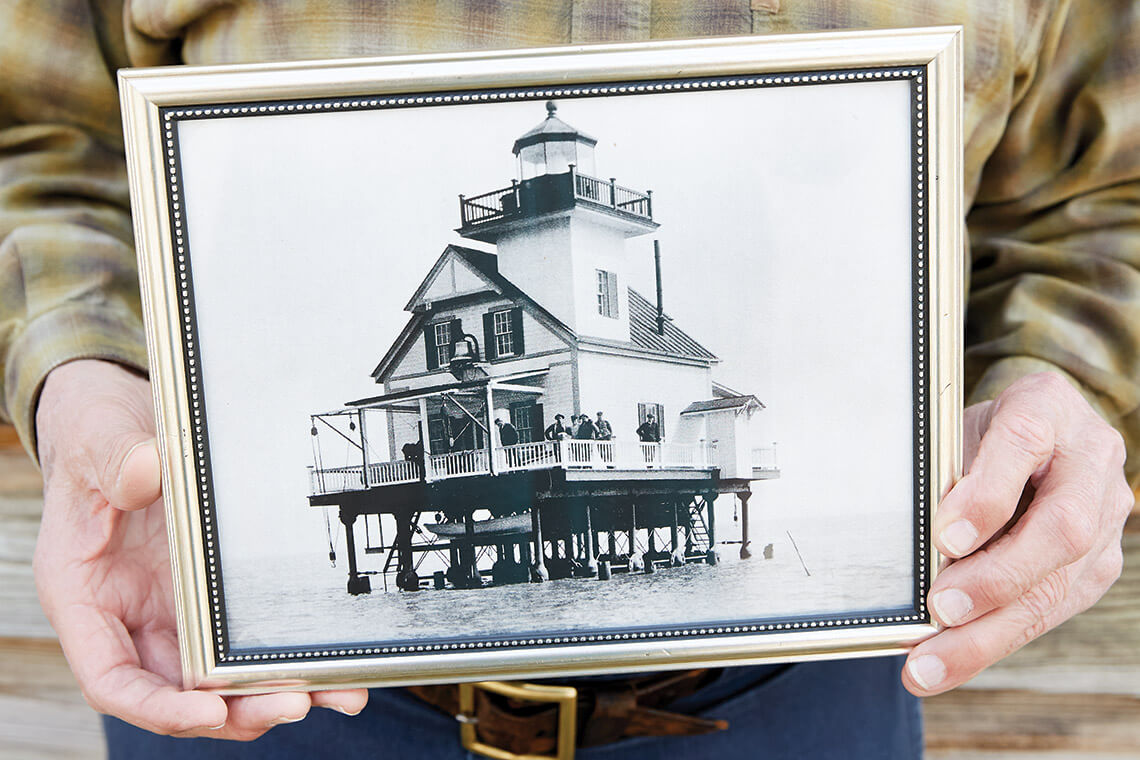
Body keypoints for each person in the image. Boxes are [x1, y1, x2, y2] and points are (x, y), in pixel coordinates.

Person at [3, 2, 1137, 758]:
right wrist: (78, 376)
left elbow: (1096, 197)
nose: (555, 170)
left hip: (800, 691)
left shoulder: (628, 309)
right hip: (273, 701)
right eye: (550, 162)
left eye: (560, 162)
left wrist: (1067, 378)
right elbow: (42, 133)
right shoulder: (481, 296)